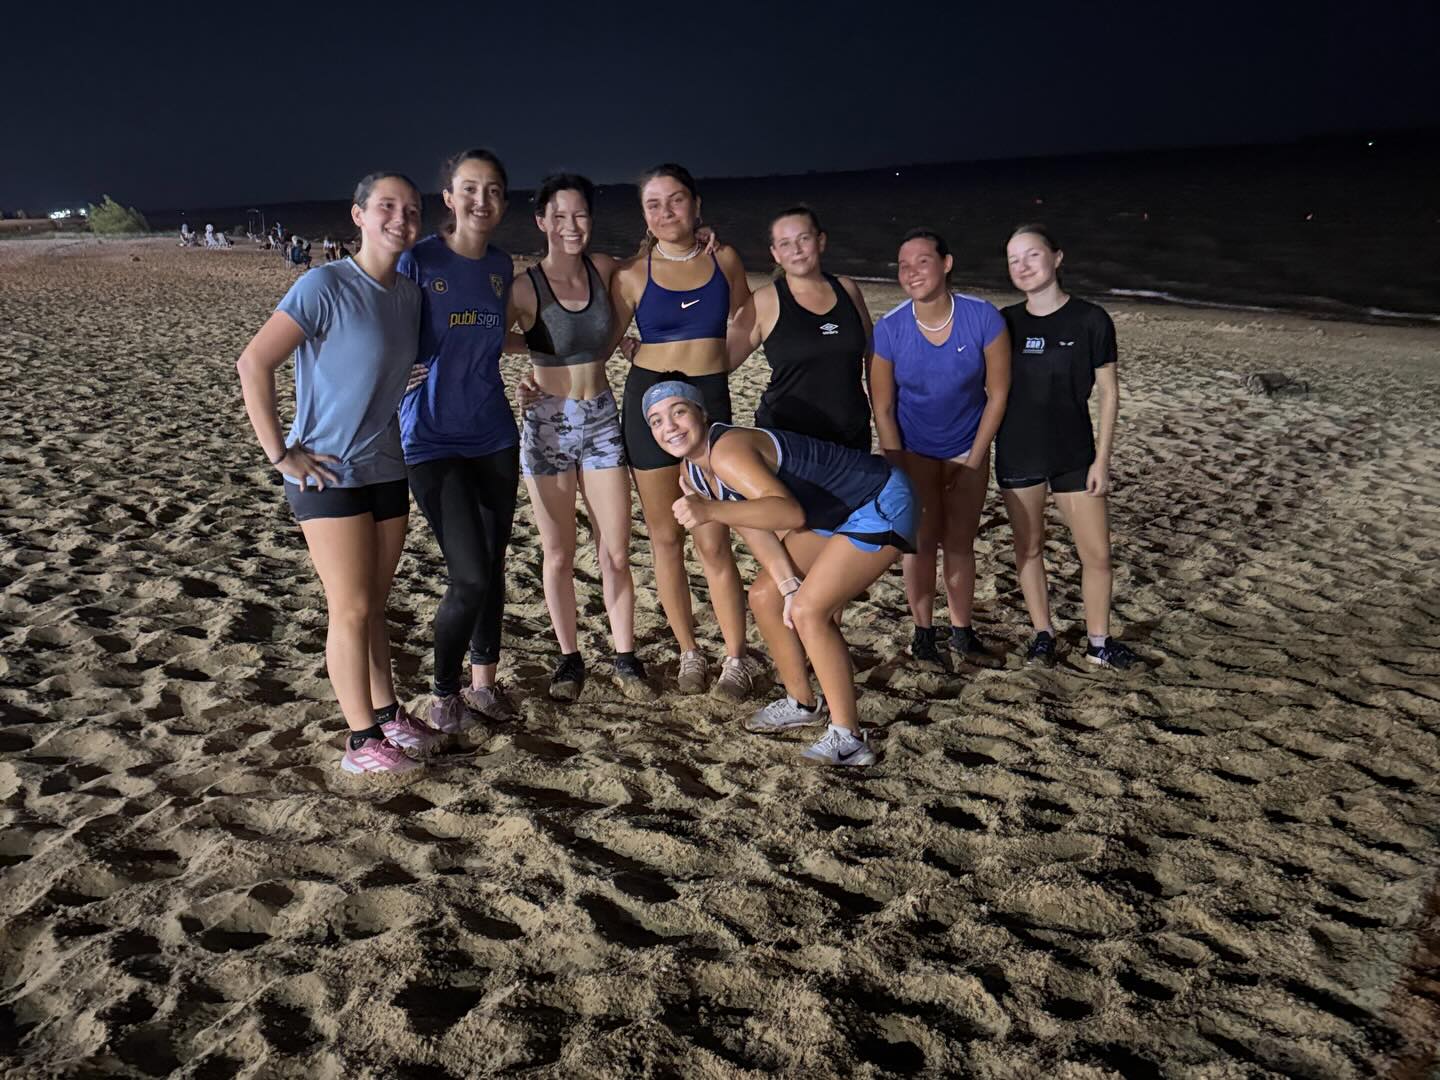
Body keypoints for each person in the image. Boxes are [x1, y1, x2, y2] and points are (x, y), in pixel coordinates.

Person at [236, 172, 437, 776]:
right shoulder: (324, 284)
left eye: (412, 209)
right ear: (358, 215)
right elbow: (254, 362)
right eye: (386, 206)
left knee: (375, 603)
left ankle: (387, 714)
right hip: (327, 469)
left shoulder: (409, 296)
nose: (400, 218)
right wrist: (280, 454)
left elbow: (376, 366)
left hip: (385, 464)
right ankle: (360, 741)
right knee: (349, 606)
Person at [645, 380, 917, 766]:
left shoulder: (727, 452)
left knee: (810, 612)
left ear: (702, 415)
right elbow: (753, 525)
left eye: (678, 412)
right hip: (834, 511)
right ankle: (802, 703)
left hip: (878, 499)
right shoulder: (694, 469)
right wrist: (788, 585)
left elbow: (789, 513)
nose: (669, 426)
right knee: (765, 597)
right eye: (656, 421)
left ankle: (849, 738)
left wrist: (710, 510)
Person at [611, 164, 755, 698]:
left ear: (696, 205)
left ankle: (735, 657)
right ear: (644, 215)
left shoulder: (724, 258)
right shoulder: (630, 273)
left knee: (713, 534)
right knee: (665, 536)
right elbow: (599, 335)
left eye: (676, 200)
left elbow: (748, 316)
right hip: (647, 405)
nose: (666, 212)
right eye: (653, 204)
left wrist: (722, 364)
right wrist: (629, 349)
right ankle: (689, 651)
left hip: (709, 403)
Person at [507, 174, 650, 702]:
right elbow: (488, 336)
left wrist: (700, 238)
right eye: (559, 216)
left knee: (616, 549)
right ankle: (569, 658)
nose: (571, 225)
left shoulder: (603, 268)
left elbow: (650, 261)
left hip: (602, 421)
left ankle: (625, 657)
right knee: (558, 553)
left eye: (581, 215)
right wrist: (535, 356)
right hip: (547, 424)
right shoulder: (525, 287)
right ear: (541, 221)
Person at [398, 148, 521, 734]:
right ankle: (443, 694)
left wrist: (549, 372)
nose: (481, 199)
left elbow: (499, 338)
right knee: (468, 575)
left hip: (494, 434)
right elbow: (378, 328)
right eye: (469, 188)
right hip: (430, 438)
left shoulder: (501, 265)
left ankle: (484, 685)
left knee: (492, 566)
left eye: (493, 189)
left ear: (504, 202)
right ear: (448, 198)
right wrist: (388, 373)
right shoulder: (417, 260)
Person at [998, 225, 1139, 669]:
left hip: (1075, 453)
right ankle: (1043, 634)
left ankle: (1099, 642)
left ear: (1057, 257)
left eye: (1032, 255)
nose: (1022, 266)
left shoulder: (1091, 319)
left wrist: (1102, 459)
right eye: (1013, 259)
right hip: (1018, 450)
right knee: (1029, 548)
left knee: (1097, 555)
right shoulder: (1004, 322)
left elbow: (1109, 393)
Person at [869, 229, 1011, 667]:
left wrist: (974, 459)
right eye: (903, 265)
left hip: (968, 447)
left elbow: (998, 394)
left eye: (922, 261)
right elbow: (883, 406)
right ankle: (924, 634)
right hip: (914, 451)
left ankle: (962, 633)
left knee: (961, 542)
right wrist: (897, 466)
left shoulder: (983, 318)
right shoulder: (890, 328)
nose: (911, 272)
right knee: (920, 543)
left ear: (946, 264)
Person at [727, 206, 874, 451]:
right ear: (775, 254)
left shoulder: (848, 289)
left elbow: (874, 358)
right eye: (785, 243)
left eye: (803, 239)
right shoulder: (765, 301)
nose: (796, 250)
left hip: (851, 436)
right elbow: (721, 362)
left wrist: (884, 418)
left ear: (821, 241)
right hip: (789, 441)